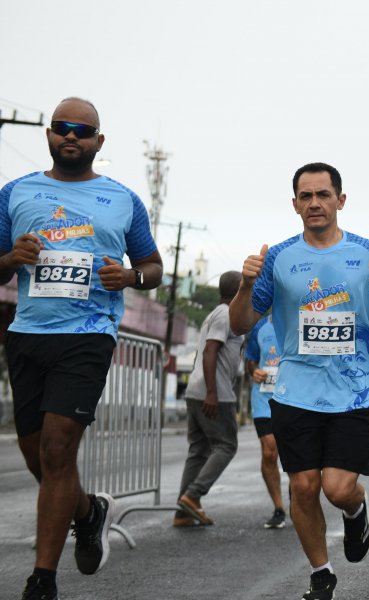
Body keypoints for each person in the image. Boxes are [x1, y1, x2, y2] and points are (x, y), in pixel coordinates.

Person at [0, 97, 163, 600]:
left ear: (99, 141)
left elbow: (153, 267)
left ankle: (42, 580)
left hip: (89, 333)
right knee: (40, 458)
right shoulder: (14, 192)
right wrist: (11, 256)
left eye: (83, 130)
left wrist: (131, 276)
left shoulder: (123, 199)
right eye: (61, 128)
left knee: (56, 449)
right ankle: (89, 513)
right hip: (28, 333)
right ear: (48, 134)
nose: (71, 136)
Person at [229, 162, 369, 600]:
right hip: (296, 390)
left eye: (323, 195)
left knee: (337, 488)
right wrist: (245, 285)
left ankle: (356, 510)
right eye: (305, 196)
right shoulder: (280, 257)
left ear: (340, 201)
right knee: (304, 486)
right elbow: (241, 323)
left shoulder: (367, 252)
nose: (314, 203)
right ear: (295, 204)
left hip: (354, 390)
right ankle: (321, 573)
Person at [176, 271, 246, 527]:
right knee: (227, 445)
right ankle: (193, 496)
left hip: (197, 390)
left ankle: (182, 512)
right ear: (238, 291)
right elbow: (210, 351)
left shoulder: (216, 314)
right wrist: (213, 393)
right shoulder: (227, 314)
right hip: (214, 393)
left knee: (199, 450)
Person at [245, 314, 288, 529]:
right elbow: (250, 359)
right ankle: (279, 508)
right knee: (270, 451)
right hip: (264, 399)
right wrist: (254, 371)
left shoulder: (298, 320)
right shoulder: (260, 327)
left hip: (292, 398)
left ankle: (300, 498)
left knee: (293, 453)